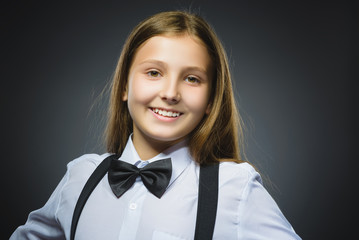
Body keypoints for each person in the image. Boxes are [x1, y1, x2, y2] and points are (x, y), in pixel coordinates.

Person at [10, 11, 301, 240]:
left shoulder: (234, 188)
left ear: (211, 100)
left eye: (192, 79)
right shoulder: (80, 177)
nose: (171, 93)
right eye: (153, 72)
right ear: (124, 85)